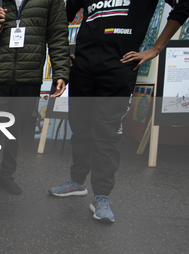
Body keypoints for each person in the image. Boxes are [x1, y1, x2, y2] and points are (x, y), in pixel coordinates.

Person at [49, 0, 189, 222]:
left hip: (118, 70)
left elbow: (184, 6)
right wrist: (62, 54)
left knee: (105, 134)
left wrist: (156, 49)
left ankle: (101, 196)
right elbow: (58, 19)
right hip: (82, 69)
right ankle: (77, 181)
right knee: (80, 130)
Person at [0, 0, 70, 200]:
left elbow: (57, 35)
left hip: (29, 78)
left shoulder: (49, 1)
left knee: (15, 133)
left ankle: (7, 176)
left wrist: (61, 72)